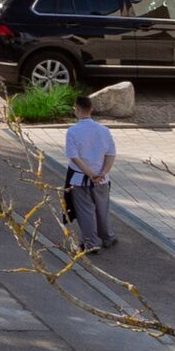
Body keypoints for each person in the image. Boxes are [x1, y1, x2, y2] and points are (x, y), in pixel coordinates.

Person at [61, 90, 117, 255]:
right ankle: (107, 236)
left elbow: (74, 157)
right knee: (102, 209)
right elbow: (111, 154)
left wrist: (89, 174)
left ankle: (91, 242)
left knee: (85, 211)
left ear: (77, 109)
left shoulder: (73, 131)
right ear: (91, 109)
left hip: (80, 179)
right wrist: (103, 172)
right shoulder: (104, 130)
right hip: (102, 178)